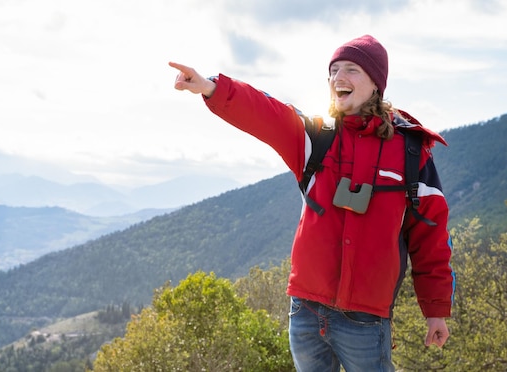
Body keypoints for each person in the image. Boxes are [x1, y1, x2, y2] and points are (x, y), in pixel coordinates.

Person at [169, 34, 454, 372]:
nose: (338, 78)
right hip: (305, 312)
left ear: (376, 83)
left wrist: (435, 310)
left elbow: (431, 237)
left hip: (365, 319)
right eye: (333, 71)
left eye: (352, 70)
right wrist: (211, 87)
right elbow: (267, 113)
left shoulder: (410, 152)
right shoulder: (317, 136)